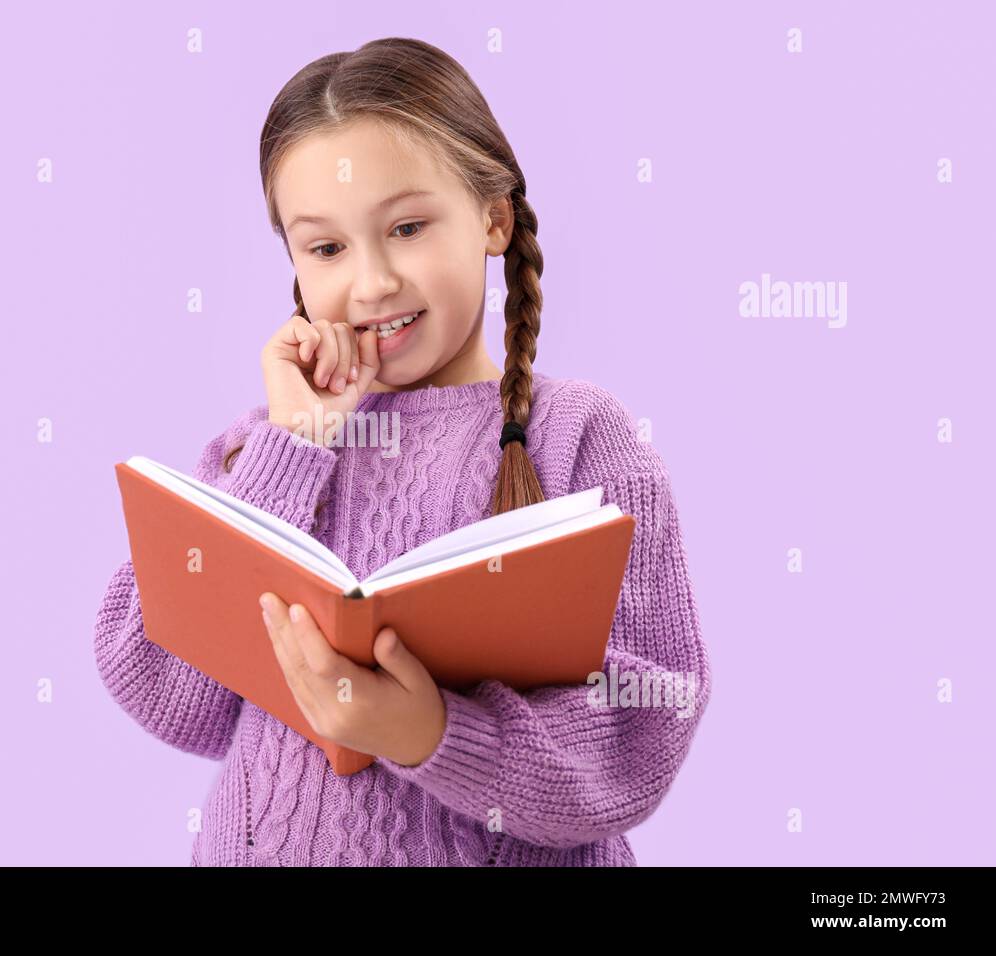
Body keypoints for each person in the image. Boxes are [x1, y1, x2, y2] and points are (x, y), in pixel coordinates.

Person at [94, 37, 711, 866]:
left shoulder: (584, 439)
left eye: (408, 227)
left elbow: (643, 727)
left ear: (493, 219)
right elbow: (165, 691)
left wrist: (430, 732)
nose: (373, 281)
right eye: (327, 248)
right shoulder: (263, 446)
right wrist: (296, 445)